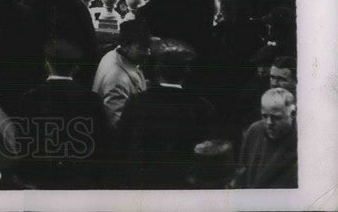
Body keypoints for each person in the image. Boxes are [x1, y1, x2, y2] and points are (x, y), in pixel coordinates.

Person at [114, 38, 218, 189]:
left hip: (142, 189)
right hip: (184, 191)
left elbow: (121, 149)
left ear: (157, 70)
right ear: (187, 71)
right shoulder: (202, 108)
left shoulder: (137, 103)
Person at [17, 39, 109, 189]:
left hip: (41, 178)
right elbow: (103, 143)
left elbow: (23, 143)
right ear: (75, 68)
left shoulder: (31, 99)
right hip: (80, 179)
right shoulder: (90, 99)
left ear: (47, 64)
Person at [91, 18, 150, 129]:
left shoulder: (114, 55)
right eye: (141, 48)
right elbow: (116, 124)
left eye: (147, 47)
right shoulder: (117, 81)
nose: (148, 52)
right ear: (126, 46)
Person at [236, 88, 297, 188]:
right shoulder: (254, 130)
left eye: (276, 117)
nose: (269, 123)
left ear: (292, 114)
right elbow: (243, 168)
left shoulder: (302, 145)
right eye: (264, 116)